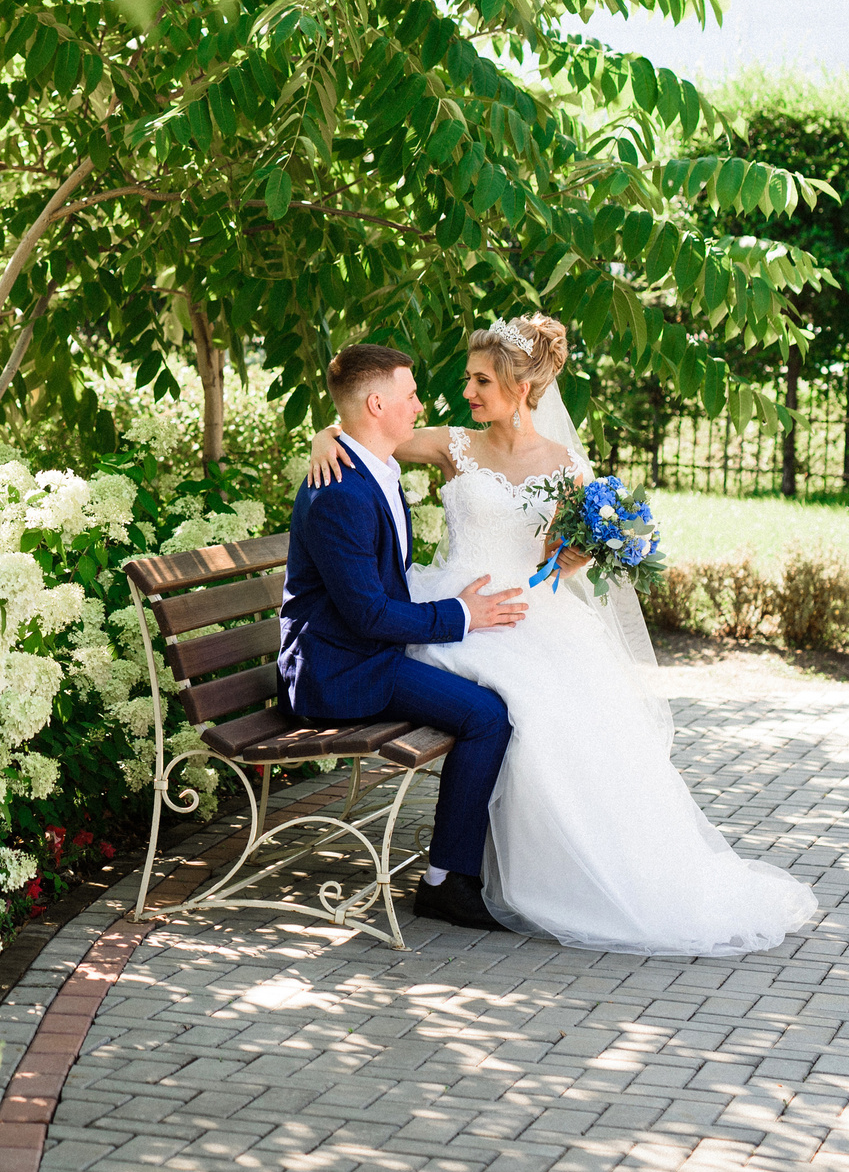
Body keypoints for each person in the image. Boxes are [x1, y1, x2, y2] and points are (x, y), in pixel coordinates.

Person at [306, 314, 819, 957]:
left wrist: (578, 556)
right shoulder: (452, 445)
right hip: (458, 604)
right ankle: (464, 872)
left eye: (481, 380)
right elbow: (368, 433)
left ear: (521, 387)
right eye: (468, 379)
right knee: (506, 712)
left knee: (568, 717)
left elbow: (584, 548)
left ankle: (578, 872)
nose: (467, 391)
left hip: (533, 611)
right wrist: (323, 437)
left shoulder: (566, 465)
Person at [279, 342, 529, 932]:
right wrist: (463, 616)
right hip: (340, 671)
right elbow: (368, 616)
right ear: (376, 403)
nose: (421, 404)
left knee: (503, 684)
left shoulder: (374, 468)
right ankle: (446, 880)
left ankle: (468, 864)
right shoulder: (339, 491)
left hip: (366, 651)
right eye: (410, 394)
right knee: (487, 715)